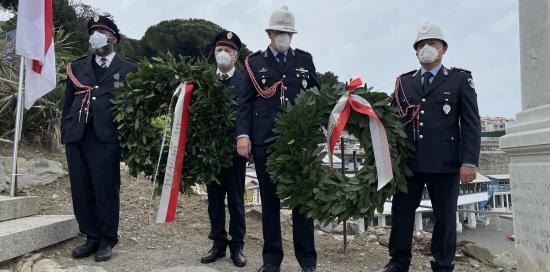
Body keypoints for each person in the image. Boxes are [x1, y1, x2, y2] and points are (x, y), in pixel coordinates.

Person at [379, 21, 481, 272]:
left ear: (443, 49)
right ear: (415, 51)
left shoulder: (459, 79)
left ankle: (443, 264)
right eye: (421, 45)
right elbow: (392, 120)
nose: (426, 48)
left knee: (445, 218)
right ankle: (398, 262)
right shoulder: (403, 82)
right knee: (402, 214)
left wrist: (469, 162)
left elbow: (471, 123)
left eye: (432, 44)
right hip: (409, 163)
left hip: (445, 163)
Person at [236, 5, 320, 272]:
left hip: (299, 144)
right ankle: (272, 260)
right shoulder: (254, 62)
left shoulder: (305, 61)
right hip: (266, 141)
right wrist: (243, 135)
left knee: (302, 203)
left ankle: (307, 261)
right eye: (280, 32)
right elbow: (245, 103)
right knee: (270, 202)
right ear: (269, 33)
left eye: (289, 33)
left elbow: (317, 96)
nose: (284, 36)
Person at [61, 15, 138, 262]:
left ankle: (107, 239)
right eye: (93, 31)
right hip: (78, 135)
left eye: (102, 31)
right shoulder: (77, 67)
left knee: (105, 189)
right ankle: (91, 237)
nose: (96, 35)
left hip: (107, 137)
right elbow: (66, 104)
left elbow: (136, 106)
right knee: (81, 189)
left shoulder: (129, 69)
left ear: (113, 38)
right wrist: (66, 132)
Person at [200, 30, 247, 268]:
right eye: (219, 49)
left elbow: (245, 113)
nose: (223, 53)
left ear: (236, 56)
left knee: (237, 201)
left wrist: (244, 138)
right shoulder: (204, 79)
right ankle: (218, 243)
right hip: (210, 152)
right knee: (214, 201)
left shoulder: (244, 81)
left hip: (235, 152)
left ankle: (237, 245)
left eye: (228, 50)